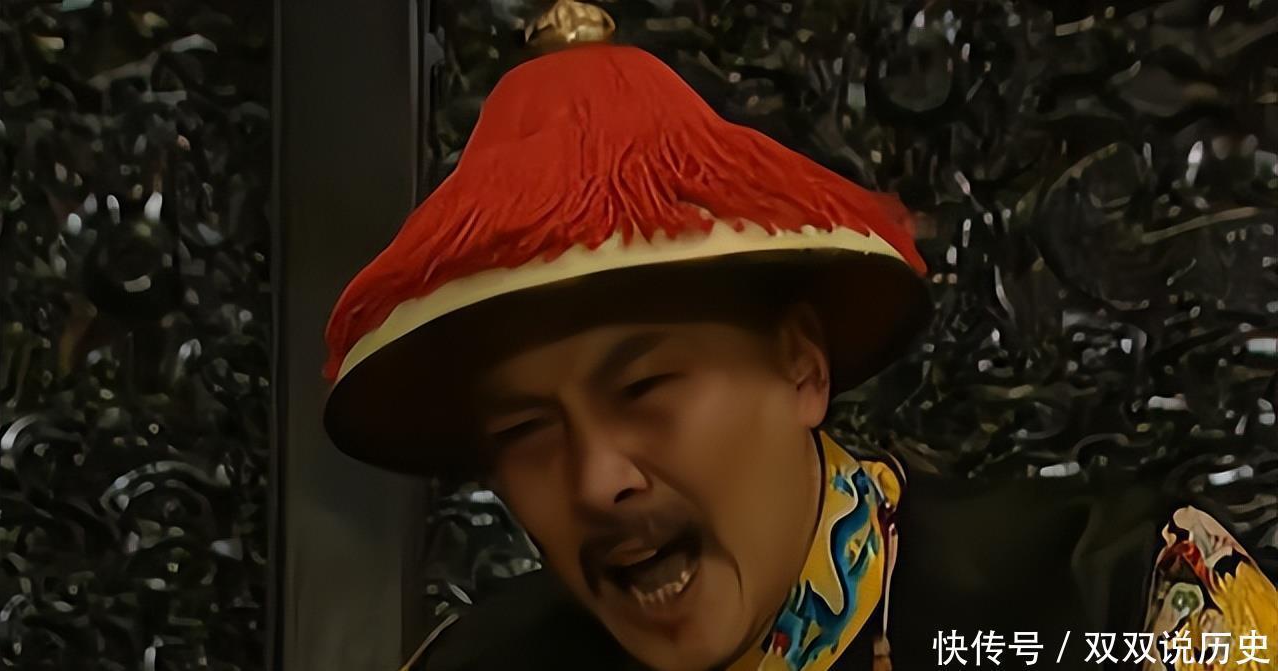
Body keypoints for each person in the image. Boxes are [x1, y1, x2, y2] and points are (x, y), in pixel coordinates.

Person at [320, 3, 1277, 670]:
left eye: (643, 387)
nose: (596, 479)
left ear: (802, 366)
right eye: (527, 430)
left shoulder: (1129, 604)